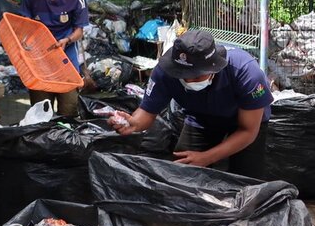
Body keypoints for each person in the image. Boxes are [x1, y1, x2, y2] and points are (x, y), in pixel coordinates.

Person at [109, 30, 273, 178]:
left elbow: (248, 130)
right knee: (182, 171)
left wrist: (207, 157)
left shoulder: (245, 72)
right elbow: (147, 111)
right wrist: (132, 124)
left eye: (196, 76)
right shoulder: (165, 72)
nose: (189, 80)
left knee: (246, 179)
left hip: (243, 123)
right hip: (201, 118)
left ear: (213, 68)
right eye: (183, 74)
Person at [19, 0, 89, 117]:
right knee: (40, 112)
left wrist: (67, 39)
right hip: (39, 62)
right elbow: (23, 27)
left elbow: (79, 30)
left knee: (69, 110)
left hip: (66, 60)